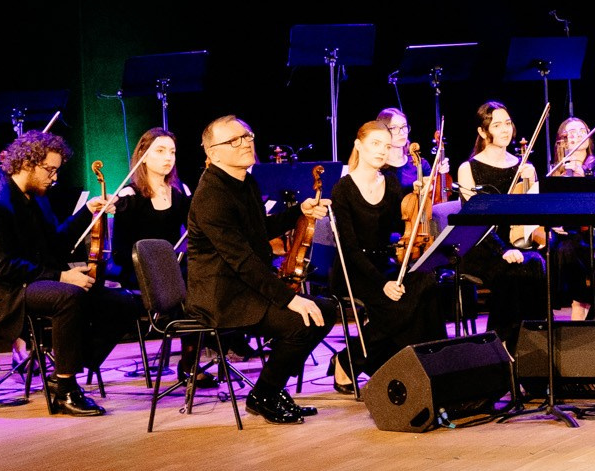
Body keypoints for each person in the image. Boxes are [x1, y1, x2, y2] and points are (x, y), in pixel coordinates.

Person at [0, 130, 138, 417]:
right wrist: (61, 277)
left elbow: (56, 244)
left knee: (123, 302)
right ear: (27, 163)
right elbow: (2, 267)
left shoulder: (37, 198)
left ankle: (64, 367)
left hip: (38, 280)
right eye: (49, 170)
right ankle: (66, 389)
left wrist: (87, 212)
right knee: (69, 296)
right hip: (9, 292)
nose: (54, 177)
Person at [184, 115, 336, 424]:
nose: (245, 142)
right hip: (222, 297)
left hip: (245, 287)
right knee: (302, 321)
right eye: (234, 140)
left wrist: (299, 212)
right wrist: (289, 298)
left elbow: (259, 230)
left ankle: (270, 390)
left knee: (326, 310)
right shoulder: (211, 195)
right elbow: (241, 260)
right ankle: (265, 395)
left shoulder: (245, 182)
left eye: (247, 135)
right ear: (213, 153)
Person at [328, 118, 449, 388]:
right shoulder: (342, 189)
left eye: (386, 145)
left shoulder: (392, 184)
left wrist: (417, 199)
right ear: (359, 145)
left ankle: (432, 370)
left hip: (386, 262)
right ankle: (350, 360)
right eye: (375, 144)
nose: (382, 151)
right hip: (355, 269)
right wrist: (382, 283)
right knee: (401, 303)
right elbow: (349, 249)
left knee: (426, 284)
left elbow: (401, 226)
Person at [455, 99, 549, 332]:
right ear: (482, 131)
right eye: (497, 125)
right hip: (482, 245)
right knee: (512, 271)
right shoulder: (468, 168)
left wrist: (531, 181)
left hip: (516, 240)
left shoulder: (523, 166)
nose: (505, 129)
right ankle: (501, 338)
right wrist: (502, 250)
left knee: (536, 262)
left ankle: (533, 337)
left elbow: (532, 214)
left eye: (508, 123)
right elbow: (475, 221)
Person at [543, 115, 595, 320]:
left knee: (568, 248)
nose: (577, 135)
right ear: (563, 140)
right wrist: (554, 222)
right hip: (567, 232)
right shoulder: (556, 170)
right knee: (546, 250)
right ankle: (545, 313)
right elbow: (551, 205)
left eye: (582, 131)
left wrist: (581, 173)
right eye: (571, 132)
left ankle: (580, 302)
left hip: (594, 229)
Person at [107, 127, 190, 291]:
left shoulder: (181, 192)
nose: (168, 157)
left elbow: (194, 234)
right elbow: (120, 253)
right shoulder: (129, 195)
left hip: (173, 269)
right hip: (141, 273)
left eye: (172, 152)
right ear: (143, 156)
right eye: (160, 151)